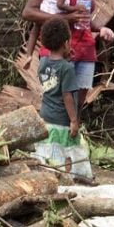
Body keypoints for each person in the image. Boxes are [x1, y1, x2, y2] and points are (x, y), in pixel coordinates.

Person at [32, 18, 92, 179]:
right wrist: (73, 120)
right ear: (66, 43)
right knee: (71, 148)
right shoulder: (67, 69)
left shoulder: (43, 62)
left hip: (46, 115)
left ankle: (48, 175)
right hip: (62, 118)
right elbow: (67, 96)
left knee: (50, 149)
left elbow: (51, 80)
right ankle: (78, 176)